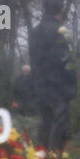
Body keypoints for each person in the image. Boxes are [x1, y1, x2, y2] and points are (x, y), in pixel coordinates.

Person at [29, 0, 77, 151]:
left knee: (45, 124)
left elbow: (34, 59)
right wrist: (72, 85)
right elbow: (65, 62)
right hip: (59, 86)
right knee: (58, 127)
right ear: (61, 11)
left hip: (41, 85)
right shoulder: (61, 32)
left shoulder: (35, 32)